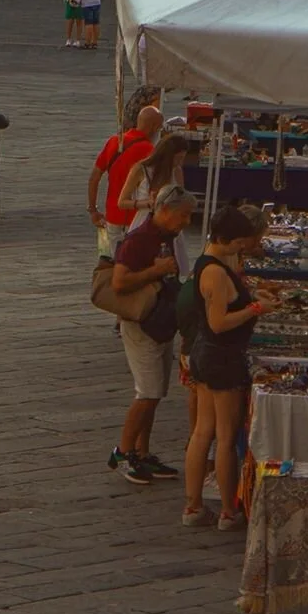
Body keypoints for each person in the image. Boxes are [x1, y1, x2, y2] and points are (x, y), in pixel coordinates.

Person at [180, 208, 270, 530]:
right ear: (224, 239)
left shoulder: (207, 261)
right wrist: (256, 309)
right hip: (221, 356)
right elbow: (219, 323)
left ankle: (193, 506)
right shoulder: (217, 273)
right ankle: (229, 512)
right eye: (238, 242)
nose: (242, 246)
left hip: (205, 354)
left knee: (202, 430)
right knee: (225, 435)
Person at [109, 185, 197, 486]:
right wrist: (156, 270)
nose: (186, 222)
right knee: (146, 392)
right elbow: (120, 283)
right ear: (165, 210)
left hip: (161, 321)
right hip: (142, 323)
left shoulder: (166, 237)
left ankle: (141, 452)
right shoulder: (139, 240)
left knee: (156, 392)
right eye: (183, 215)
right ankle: (122, 452)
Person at [87, 104, 161, 260]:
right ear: (154, 127)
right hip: (137, 219)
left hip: (113, 215)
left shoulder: (114, 141)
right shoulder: (149, 151)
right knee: (135, 264)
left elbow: (94, 177)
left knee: (115, 262)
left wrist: (93, 209)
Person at [117, 133, 195, 277]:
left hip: (171, 222)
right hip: (145, 220)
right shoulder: (141, 169)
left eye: (182, 159)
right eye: (178, 158)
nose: (179, 162)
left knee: (173, 266)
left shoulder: (176, 171)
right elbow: (122, 202)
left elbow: (182, 197)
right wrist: (146, 203)